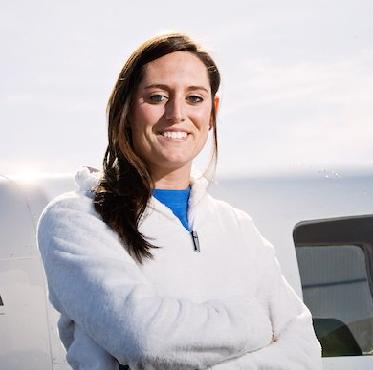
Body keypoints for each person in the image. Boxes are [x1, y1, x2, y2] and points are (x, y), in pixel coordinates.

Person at [37, 32, 322, 369]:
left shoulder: (237, 227)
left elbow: (304, 350)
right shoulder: (76, 218)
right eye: (157, 97)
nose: (176, 113)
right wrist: (255, 323)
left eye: (194, 98)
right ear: (126, 108)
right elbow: (145, 339)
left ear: (213, 112)